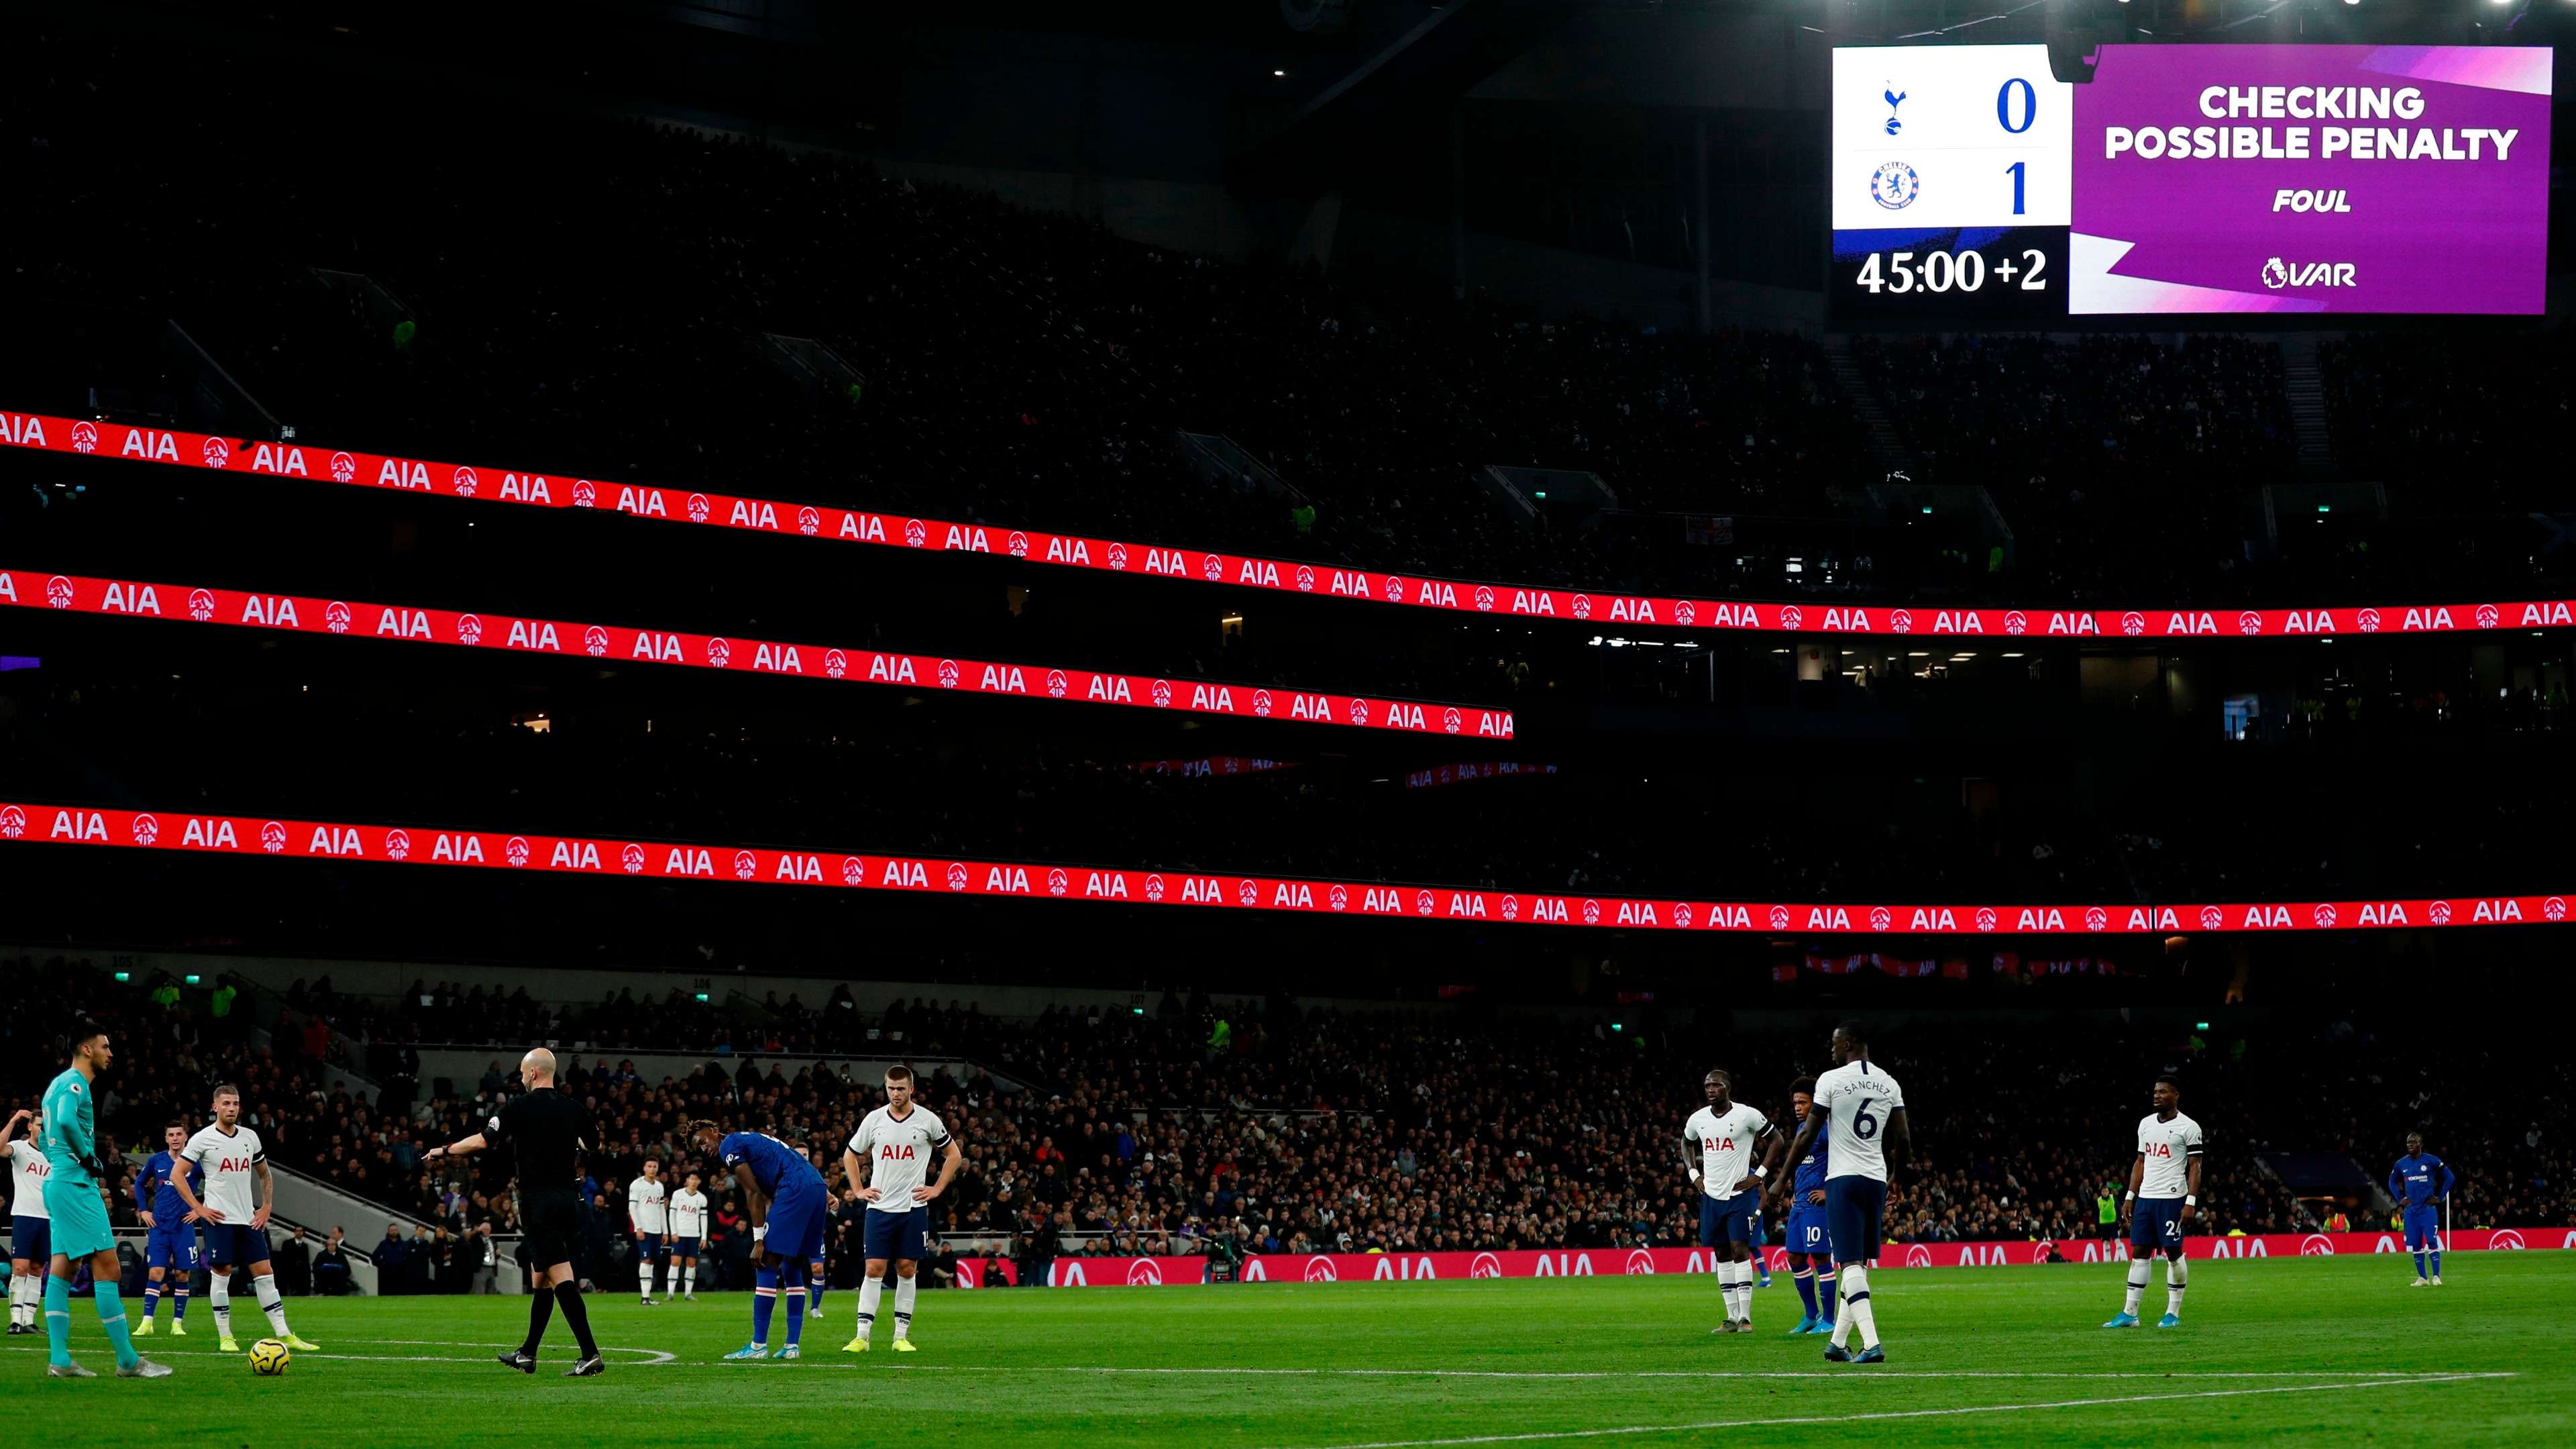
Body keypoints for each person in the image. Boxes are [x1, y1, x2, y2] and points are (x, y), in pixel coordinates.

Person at [425, 1047, 607, 1377]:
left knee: (559, 1275)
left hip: (539, 1201)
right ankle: (528, 1353)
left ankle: (590, 1354)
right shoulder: (573, 1107)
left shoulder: (520, 1106)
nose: (522, 1077)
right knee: (541, 1277)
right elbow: (592, 1144)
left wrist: (444, 1150)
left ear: (534, 1073)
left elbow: (482, 1141)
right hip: (569, 1200)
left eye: (523, 1072)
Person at [35, 1024, 172, 1377]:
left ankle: (60, 1360)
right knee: (108, 1266)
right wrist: (85, 1156)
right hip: (75, 1185)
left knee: (65, 1267)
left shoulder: (56, 1085)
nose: (110, 1053)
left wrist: (65, 1159)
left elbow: (49, 1134)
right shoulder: (75, 1083)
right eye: (105, 1047)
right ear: (86, 1049)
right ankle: (128, 1360)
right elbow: (65, 1121)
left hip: (58, 1181)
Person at [1768, 1019, 1909, 1366]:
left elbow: (1806, 1135)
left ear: (1849, 1043)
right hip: (1875, 1180)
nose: (1831, 1048)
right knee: (1857, 1265)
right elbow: (1903, 1139)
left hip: (1843, 1180)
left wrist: (1783, 1178)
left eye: (1835, 1042)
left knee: (1848, 1264)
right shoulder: (1889, 1083)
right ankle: (1838, 1342)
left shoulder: (1831, 1081)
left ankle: (1872, 1343)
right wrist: (1898, 1179)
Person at [170, 1084, 317, 1354]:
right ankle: (226, 1337)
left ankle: (285, 1334)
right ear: (215, 1107)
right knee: (222, 1273)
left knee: (265, 1273)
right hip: (219, 1219)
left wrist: (266, 1207)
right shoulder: (202, 1139)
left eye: (235, 1103)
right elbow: (177, 1175)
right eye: (226, 1103)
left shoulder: (250, 1137)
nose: (231, 1108)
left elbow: (264, 1174)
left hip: (248, 1219)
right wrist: (199, 1208)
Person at [839, 1065, 962, 1354]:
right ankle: (862, 1336)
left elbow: (954, 1154)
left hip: (913, 1208)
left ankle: (900, 1336)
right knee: (874, 1268)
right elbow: (850, 1155)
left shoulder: (927, 1120)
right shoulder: (874, 1120)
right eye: (891, 1089)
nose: (895, 1094)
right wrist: (858, 1190)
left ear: (911, 1089)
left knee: (907, 1270)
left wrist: (937, 1188)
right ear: (886, 1088)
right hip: (880, 1208)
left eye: (901, 1089)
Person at [694, 1119, 830, 1360]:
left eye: (703, 1141)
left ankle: (758, 1346)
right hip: (817, 1187)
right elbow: (766, 1195)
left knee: (765, 1262)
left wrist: (758, 1240)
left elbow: (753, 1193)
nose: (703, 1147)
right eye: (698, 1147)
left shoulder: (729, 1145)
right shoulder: (749, 1140)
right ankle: (791, 1346)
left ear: (714, 1131)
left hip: (795, 1187)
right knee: (792, 1266)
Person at [1682, 1068, 1782, 1334]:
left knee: (1740, 1250)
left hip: (1739, 1195)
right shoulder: (1698, 1119)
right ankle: (1730, 1317)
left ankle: (1746, 1318)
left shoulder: (1746, 1114)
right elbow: (1686, 1143)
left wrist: (1759, 1176)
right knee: (1721, 1253)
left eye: (1715, 1085)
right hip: (1711, 1196)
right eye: (1707, 1086)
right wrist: (1694, 1175)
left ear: (1727, 1088)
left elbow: (1777, 1140)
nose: (1710, 1090)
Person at [2103, 1077, 2202, 1330]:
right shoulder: (2145, 1124)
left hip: (2172, 1199)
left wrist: (2190, 1202)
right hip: (2146, 1199)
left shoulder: (2189, 1127)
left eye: (2163, 1092)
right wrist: (2129, 1197)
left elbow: (2195, 1167)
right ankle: (2130, 1313)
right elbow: (2140, 1163)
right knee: (2139, 1253)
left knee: (2173, 1253)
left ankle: (2172, 1312)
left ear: (2176, 1095)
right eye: (2155, 1092)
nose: (2156, 1096)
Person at [131, 1120, 201, 1336]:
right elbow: (139, 1183)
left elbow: (217, 1183)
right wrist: (143, 1210)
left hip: (183, 1226)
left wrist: (200, 1209)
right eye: (171, 1135)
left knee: (182, 1274)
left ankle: (177, 1323)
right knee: (156, 1272)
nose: (175, 1138)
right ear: (166, 1138)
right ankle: (147, 1322)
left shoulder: (195, 1163)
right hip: (160, 1225)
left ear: (186, 1137)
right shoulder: (156, 1160)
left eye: (179, 1134)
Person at [1779, 1077, 1836, 1337]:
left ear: (1816, 1102)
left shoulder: (1828, 1128)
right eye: (1795, 1103)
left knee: (1821, 1258)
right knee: (1795, 1258)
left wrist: (1829, 1190)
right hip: (1800, 1203)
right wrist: (1793, 1191)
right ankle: (1811, 1315)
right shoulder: (1804, 1128)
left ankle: (1829, 1319)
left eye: (1803, 1102)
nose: (1797, 1107)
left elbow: (1842, 1160)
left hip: (1818, 1204)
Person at [5, 1108, 53, 1336]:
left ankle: (28, 1320)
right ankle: (15, 1321)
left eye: (46, 1126)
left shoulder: (54, 1154)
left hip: (49, 1218)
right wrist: (14, 1119)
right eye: (40, 1125)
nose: (43, 1130)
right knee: (20, 1268)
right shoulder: (20, 1148)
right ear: (30, 1126)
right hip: (25, 1215)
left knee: (37, 1269)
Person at [2388, 1132, 2455, 1287]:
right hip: (2411, 1211)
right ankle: (2423, 1278)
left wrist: (2440, 1197)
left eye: (2414, 1142)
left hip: (2427, 1209)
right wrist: (2400, 1198)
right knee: (2416, 1244)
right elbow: (2391, 1181)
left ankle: (2436, 1277)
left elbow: (2450, 1177)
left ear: (2421, 1144)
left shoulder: (2431, 1161)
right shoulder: (2401, 1164)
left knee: (2432, 1241)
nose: (2410, 1145)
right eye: (2408, 1143)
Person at [627, 1159, 671, 1305]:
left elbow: (661, 1210)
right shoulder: (637, 1185)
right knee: (645, 1260)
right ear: (644, 1168)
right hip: (643, 1229)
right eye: (650, 1166)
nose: (652, 1169)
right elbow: (632, 1208)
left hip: (656, 1230)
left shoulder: (659, 1186)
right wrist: (638, 1228)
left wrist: (665, 1231)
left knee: (651, 1260)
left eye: (655, 1167)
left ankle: (647, 1296)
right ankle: (644, 1297)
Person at [668, 1171, 709, 1302]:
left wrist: (704, 1237)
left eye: (696, 1179)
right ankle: (670, 1293)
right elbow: (672, 1214)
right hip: (680, 1234)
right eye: (691, 1179)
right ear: (687, 1180)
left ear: (699, 1182)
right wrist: (673, 1232)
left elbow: (703, 1219)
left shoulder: (702, 1198)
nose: (693, 1181)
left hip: (694, 1235)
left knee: (691, 1263)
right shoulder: (678, 1194)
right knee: (675, 1262)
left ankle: (688, 1293)